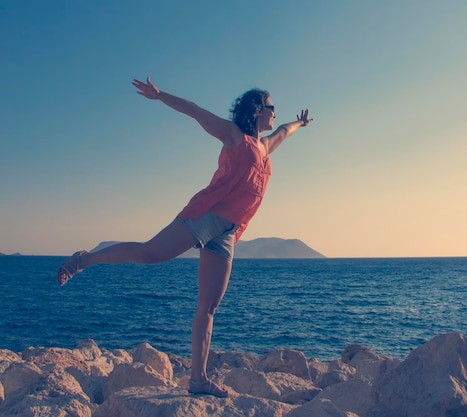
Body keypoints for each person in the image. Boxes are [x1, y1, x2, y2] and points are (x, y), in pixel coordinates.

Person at [56, 76, 313, 397]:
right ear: (258, 109)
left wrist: (300, 124)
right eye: (272, 107)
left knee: (208, 306)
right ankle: (84, 259)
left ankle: (198, 380)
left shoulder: (265, 147)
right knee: (149, 253)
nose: (276, 112)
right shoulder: (234, 136)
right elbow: (195, 111)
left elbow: (283, 132)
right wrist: (160, 95)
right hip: (205, 216)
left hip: (228, 231)